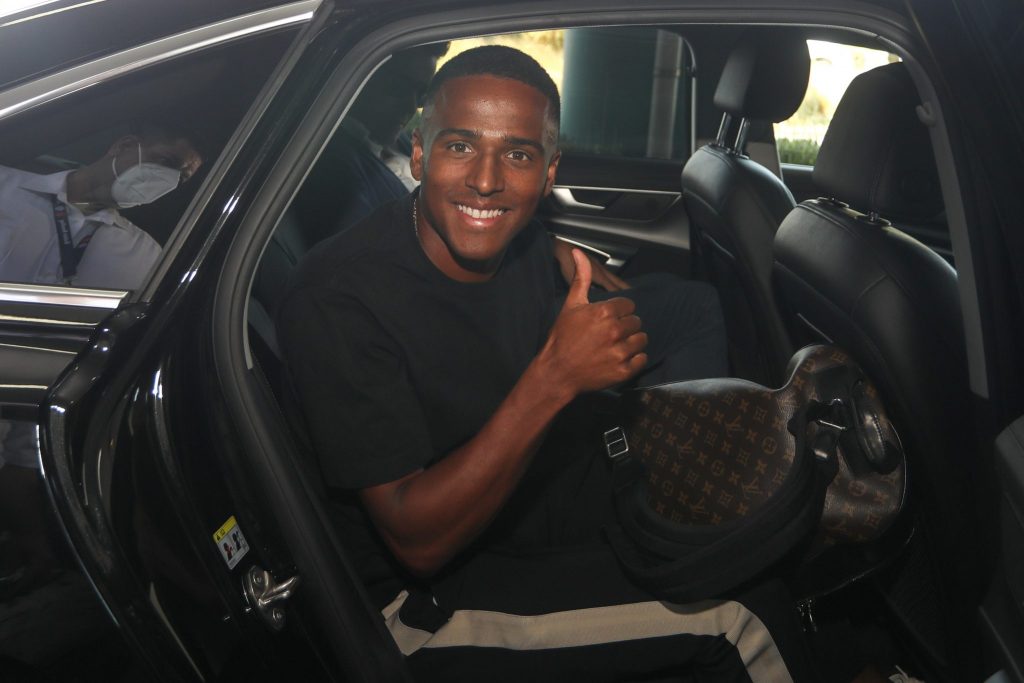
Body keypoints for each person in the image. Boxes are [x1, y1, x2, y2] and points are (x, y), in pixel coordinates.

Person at [279, 46, 815, 681]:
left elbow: (513, 244)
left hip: (519, 505)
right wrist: (556, 377)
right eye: (459, 146)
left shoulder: (517, 241)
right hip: (415, 604)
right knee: (745, 608)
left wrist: (553, 245)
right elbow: (416, 543)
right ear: (419, 154)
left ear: (549, 169)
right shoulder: (339, 299)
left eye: (518, 155)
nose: (486, 181)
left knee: (735, 537)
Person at [0, 121, 202, 290]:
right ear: (124, 146)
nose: (169, 180)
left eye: (181, 178)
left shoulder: (145, 254)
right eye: (166, 161)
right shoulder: (5, 186)